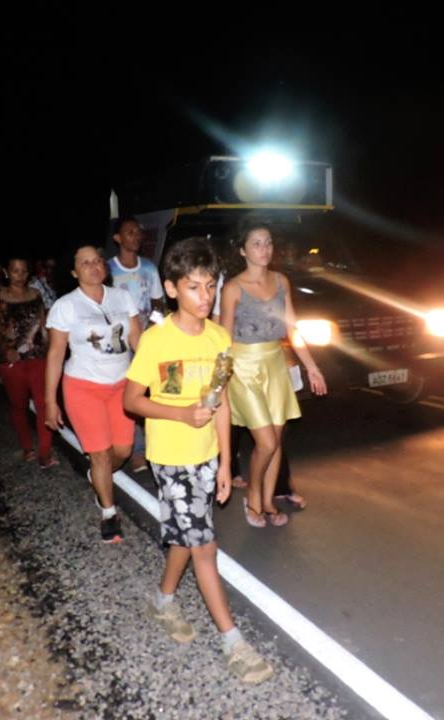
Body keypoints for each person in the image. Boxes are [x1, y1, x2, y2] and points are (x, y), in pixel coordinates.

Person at [123, 237, 273, 684]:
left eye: (210, 286)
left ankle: (163, 599)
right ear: (171, 289)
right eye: (194, 287)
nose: (205, 296)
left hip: (208, 456)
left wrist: (228, 463)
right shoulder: (156, 339)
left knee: (187, 538)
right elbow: (133, 401)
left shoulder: (219, 337)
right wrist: (181, 414)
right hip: (170, 457)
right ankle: (234, 644)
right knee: (204, 546)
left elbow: (221, 402)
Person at [219, 223, 327, 528]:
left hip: (275, 364)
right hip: (243, 367)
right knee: (265, 442)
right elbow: (225, 339)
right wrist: (220, 383)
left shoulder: (281, 281)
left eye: (267, 243)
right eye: (256, 243)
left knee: (276, 441)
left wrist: (312, 367)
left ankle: (267, 501)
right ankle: (253, 497)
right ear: (242, 250)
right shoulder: (233, 288)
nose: (264, 249)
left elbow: (292, 329)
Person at [44, 245, 141, 543]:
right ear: (74, 272)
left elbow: (138, 339)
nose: (93, 266)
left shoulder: (122, 297)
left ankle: (97, 479)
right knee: (99, 455)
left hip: (122, 385)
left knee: (123, 451)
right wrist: (50, 400)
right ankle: (108, 512)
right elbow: (56, 353)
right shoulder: (66, 306)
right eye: (85, 263)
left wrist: (157, 378)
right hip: (83, 386)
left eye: (98, 260)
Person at [108, 216, 165, 472]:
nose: (136, 236)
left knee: (154, 393)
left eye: (138, 232)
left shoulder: (149, 268)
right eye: (129, 232)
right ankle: (136, 450)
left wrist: (154, 328)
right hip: (118, 342)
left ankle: (158, 445)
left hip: (146, 341)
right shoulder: (108, 270)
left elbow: (158, 304)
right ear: (118, 239)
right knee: (128, 394)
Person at [0, 257, 55, 467]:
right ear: (8, 272)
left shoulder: (35, 295)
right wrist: (5, 348)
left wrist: (53, 347)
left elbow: (44, 324)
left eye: (24, 271)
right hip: (12, 361)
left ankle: (45, 453)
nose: (21, 275)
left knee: (44, 405)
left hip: (38, 357)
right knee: (19, 405)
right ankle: (27, 447)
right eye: (16, 271)